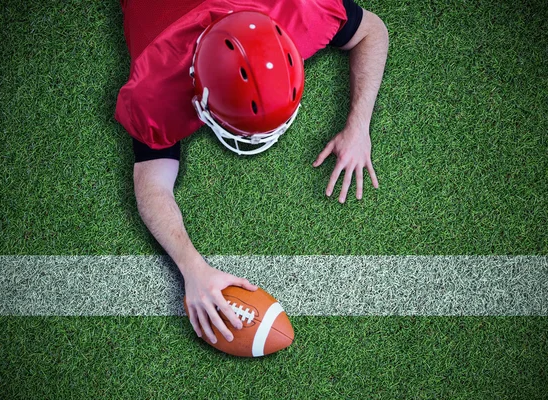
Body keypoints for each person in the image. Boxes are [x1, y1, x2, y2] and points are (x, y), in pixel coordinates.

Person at [116, 0, 388, 344]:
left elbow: (372, 30)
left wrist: (359, 125)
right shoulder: (153, 91)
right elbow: (151, 185)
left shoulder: (304, 9)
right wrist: (192, 268)